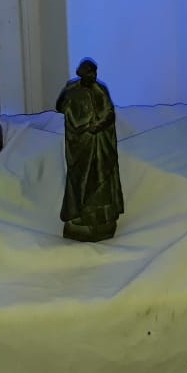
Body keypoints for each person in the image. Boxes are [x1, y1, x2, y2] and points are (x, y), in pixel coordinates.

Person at [56, 59, 124, 242]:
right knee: (79, 179)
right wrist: (77, 120)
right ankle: (78, 214)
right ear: (82, 74)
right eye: (90, 74)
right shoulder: (71, 88)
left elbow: (109, 113)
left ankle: (99, 216)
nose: (93, 76)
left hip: (99, 143)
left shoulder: (100, 90)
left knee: (99, 177)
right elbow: (60, 106)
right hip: (79, 144)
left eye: (94, 73)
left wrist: (98, 125)